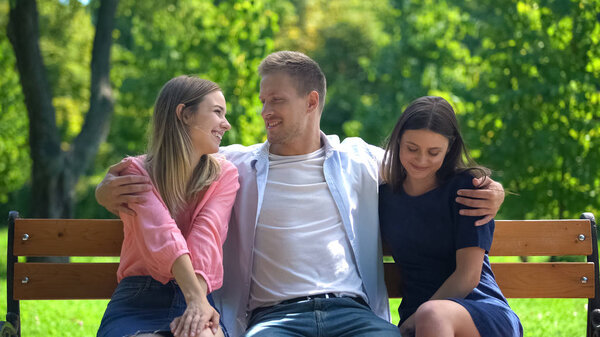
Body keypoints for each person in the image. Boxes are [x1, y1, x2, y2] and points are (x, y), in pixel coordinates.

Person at [96, 51, 505, 337]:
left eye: (276, 100)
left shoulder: (358, 158)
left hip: (353, 314)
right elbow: (167, 157)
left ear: (311, 101)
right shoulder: (234, 164)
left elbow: (427, 165)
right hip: (274, 319)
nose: (263, 111)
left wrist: (494, 190)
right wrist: (105, 189)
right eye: (262, 101)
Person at [96, 76, 240, 337]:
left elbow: (206, 237)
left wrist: (197, 302)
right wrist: (197, 300)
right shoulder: (134, 171)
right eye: (217, 112)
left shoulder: (225, 175)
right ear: (184, 114)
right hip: (137, 299)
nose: (226, 124)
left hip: (196, 293)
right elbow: (161, 234)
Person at [378, 96, 522, 337]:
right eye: (411, 148)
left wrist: (413, 321)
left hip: (479, 310)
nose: (421, 160)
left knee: (431, 315)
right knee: (430, 316)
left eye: (434, 152)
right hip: (422, 318)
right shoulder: (384, 196)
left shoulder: (468, 190)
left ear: (449, 148)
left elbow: (468, 277)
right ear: (398, 140)